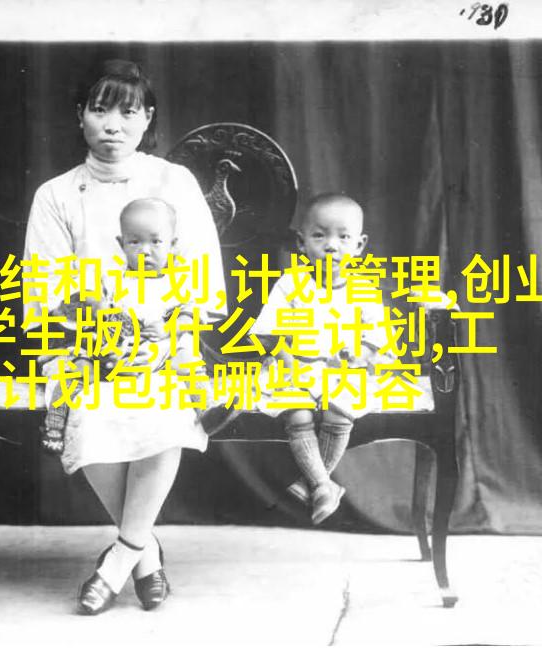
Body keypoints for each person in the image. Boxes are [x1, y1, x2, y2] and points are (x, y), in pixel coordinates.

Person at [22, 59, 226, 615]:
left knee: (166, 412)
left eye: (128, 112)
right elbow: (45, 286)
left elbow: (202, 278)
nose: (113, 125)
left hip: (167, 340)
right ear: (80, 116)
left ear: (147, 119)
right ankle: (145, 552)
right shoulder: (57, 194)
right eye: (100, 110)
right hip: (86, 343)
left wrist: (164, 336)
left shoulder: (173, 182)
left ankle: (119, 558)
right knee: (86, 414)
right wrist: (94, 328)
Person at [251, 194, 396, 525]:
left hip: (341, 371)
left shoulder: (364, 290)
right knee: (296, 412)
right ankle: (323, 485)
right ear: (301, 243)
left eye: (343, 237)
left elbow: (376, 338)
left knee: (340, 407)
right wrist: (287, 361)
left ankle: (315, 484)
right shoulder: (291, 284)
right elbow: (267, 334)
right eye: (319, 236)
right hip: (295, 366)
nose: (331, 246)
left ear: (359, 245)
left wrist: (359, 353)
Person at [40, 196, 204, 455]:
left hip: (159, 351)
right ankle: (55, 424)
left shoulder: (178, 283)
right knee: (77, 370)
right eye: (134, 242)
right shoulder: (111, 279)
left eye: (156, 242)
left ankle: (206, 409)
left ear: (172, 244)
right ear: (121, 243)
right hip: (111, 349)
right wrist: (96, 310)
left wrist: (168, 328)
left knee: (187, 362)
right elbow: (85, 310)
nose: (145, 251)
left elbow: (191, 317)